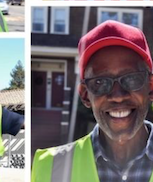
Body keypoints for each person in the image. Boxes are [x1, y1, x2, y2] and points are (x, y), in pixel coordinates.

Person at [32, 20, 153, 181]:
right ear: (85, 95)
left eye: (131, 79)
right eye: (100, 82)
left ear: (150, 87)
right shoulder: (48, 168)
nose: (117, 96)